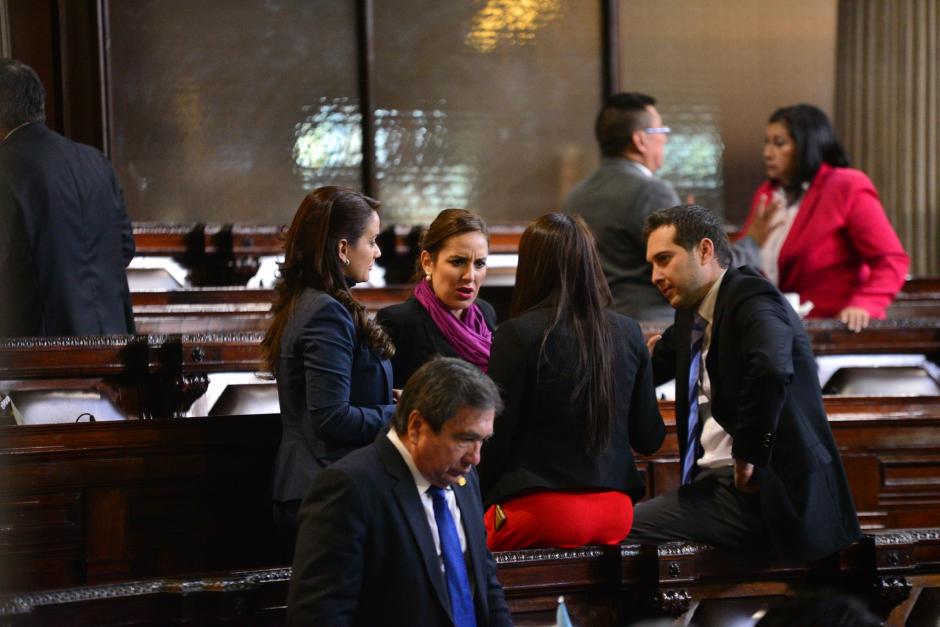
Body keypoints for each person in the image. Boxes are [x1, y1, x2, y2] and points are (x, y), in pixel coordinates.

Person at [629, 205, 861, 562]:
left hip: (765, 494)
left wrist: (748, 454)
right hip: (714, 489)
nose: (656, 276)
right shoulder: (695, 312)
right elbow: (648, 366)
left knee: (622, 531)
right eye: (652, 265)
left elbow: (770, 368)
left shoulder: (753, 298)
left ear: (705, 251)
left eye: (665, 259)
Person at [478, 212, 665, 551]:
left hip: (540, 512)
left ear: (532, 266)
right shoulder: (628, 332)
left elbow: (494, 442)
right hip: (616, 513)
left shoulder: (516, 334)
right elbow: (649, 437)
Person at [288, 357, 512, 627]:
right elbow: (320, 616)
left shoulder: (464, 479)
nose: (475, 458)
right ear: (417, 426)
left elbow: (485, 581)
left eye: (483, 441)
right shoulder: (349, 488)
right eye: (465, 439)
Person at [262, 186, 396, 538]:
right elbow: (331, 416)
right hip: (324, 489)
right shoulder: (325, 311)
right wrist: (404, 413)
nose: (377, 251)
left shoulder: (308, 301)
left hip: (320, 487)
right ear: (342, 249)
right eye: (371, 240)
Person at [563, 92, 759, 321]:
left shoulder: (575, 196)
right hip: (651, 325)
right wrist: (754, 242)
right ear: (640, 140)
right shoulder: (650, 191)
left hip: (594, 324)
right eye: (660, 130)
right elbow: (700, 261)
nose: (665, 138)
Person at [740, 104, 909, 331]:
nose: (767, 153)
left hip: (833, 330)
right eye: (767, 142)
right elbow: (742, 267)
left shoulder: (846, 185)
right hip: (774, 328)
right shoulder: (766, 193)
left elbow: (891, 260)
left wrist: (865, 304)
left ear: (806, 145)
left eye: (779, 143)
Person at [0, 59, 135, 336]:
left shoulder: (6, 166)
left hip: (39, 355)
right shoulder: (95, 161)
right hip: (113, 346)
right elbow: (125, 247)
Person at [376, 208, 496, 388]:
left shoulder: (485, 313)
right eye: (457, 262)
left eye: (479, 263)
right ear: (427, 262)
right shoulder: (398, 323)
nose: (470, 276)